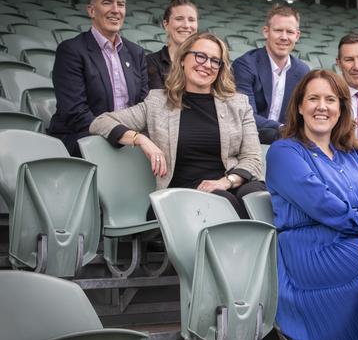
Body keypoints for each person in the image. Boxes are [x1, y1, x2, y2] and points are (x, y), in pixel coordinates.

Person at [265, 69, 358, 340]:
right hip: (311, 252)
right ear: (299, 106)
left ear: (341, 107)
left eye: (330, 100)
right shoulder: (284, 151)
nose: (322, 107)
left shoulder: (352, 152)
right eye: (313, 99)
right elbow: (322, 204)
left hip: (354, 241)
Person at [90, 32, 265, 218]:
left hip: (225, 185)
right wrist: (140, 139)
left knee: (257, 195)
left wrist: (226, 181)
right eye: (201, 56)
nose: (207, 65)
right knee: (221, 202)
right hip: (178, 196)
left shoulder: (238, 104)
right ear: (182, 59)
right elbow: (100, 122)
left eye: (215, 61)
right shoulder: (158, 103)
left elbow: (253, 159)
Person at [48, 0, 148, 156]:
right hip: (85, 138)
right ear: (91, 10)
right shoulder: (71, 50)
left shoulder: (136, 53)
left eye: (121, 4)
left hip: (128, 139)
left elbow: (144, 105)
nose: (116, 10)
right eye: (107, 2)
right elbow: (75, 113)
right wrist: (124, 135)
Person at [232, 4, 309, 144]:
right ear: (266, 32)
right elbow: (246, 116)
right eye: (278, 30)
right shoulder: (245, 65)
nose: (284, 37)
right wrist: (283, 129)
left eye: (290, 32)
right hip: (249, 140)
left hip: (288, 144)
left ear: (297, 35)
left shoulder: (303, 71)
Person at [146, 0, 198, 89]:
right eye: (179, 19)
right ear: (165, 24)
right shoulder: (151, 62)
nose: (186, 25)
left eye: (191, 20)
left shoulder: (204, 61)